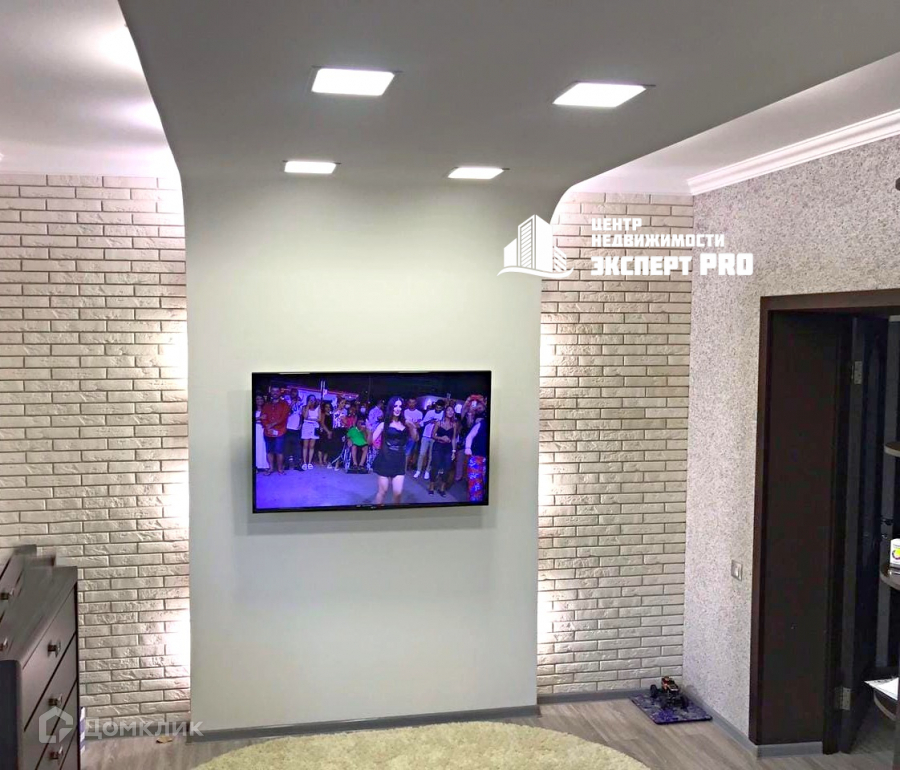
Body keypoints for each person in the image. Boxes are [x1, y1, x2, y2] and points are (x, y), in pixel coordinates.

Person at [372, 396, 419, 504]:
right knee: (382, 491)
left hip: (399, 461)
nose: (398, 408)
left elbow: (415, 438)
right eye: (395, 406)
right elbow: (372, 439)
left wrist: (412, 426)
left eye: (400, 406)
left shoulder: (406, 424)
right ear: (391, 407)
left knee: (398, 493)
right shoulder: (384, 424)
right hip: (385, 460)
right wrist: (378, 446)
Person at [259, 389, 291, 475]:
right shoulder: (267, 405)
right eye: (273, 391)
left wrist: (271, 425)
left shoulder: (285, 404)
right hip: (268, 431)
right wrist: (267, 426)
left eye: (277, 391)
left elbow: (283, 418)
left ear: (280, 392)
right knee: (269, 451)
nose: (275, 393)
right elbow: (263, 417)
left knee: (279, 451)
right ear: (271, 392)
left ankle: (280, 469)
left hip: (280, 431)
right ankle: (271, 468)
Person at [428, 405, 457, 496]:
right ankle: (431, 486)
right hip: (438, 446)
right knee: (435, 466)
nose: (450, 412)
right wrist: (441, 438)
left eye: (452, 410)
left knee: (447, 468)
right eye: (448, 410)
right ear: (445, 412)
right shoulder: (439, 423)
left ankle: (442, 488)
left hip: (448, 448)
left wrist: (453, 451)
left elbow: (453, 439)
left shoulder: (454, 424)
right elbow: (432, 435)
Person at [465, 400, 489, 502]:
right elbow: (470, 434)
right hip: (477, 456)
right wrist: (468, 448)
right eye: (477, 407)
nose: (479, 409)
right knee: (475, 484)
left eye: (481, 407)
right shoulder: (481, 422)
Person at [415, 399, 444, 479]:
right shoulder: (430, 412)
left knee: (431, 456)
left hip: (435, 437)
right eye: (437, 407)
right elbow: (423, 423)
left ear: (442, 408)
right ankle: (418, 470)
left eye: (440, 408)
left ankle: (427, 471)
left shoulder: (443, 414)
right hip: (426, 435)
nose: (438, 409)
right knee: (422, 453)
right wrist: (430, 421)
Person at [402, 397, 423, 471]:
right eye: (410, 402)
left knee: (408, 452)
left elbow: (419, 425)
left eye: (413, 402)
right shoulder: (404, 412)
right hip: (403, 434)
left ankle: (404, 469)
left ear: (415, 403)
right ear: (408, 403)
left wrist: (409, 424)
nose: (411, 404)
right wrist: (413, 424)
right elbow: (403, 423)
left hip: (413, 435)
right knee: (401, 451)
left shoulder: (419, 413)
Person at [300, 395, 321, 470]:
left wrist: (310, 419)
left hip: (315, 427)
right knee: (305, 445)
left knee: (312, 446)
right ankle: (304, 462)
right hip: (306, 426)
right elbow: (305, 417)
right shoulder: (304, 407)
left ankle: (309, 462)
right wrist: (308, 406)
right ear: (308, 400)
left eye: (313, 400)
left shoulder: (318, 408)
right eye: (310, 399)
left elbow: (319, 419)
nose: (312, 401)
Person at [284, 394, 302, 470]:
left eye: (298, 400)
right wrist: (291, 405)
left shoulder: (300, 407)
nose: (296, 401)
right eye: (295, 400)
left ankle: (297, 465)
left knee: (297, 449)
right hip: (288, 429)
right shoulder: (287, 406)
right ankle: (286, 465)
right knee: (286, 448)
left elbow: (301, 416)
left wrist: (301, 424)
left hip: (296, 430)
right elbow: (286, 414)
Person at [317, 401, 338, 466]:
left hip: (331, 432)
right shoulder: (323, 414)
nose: (328, 408)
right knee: (321, 447)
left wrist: (331, 432)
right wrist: (328, 432)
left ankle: (324, 460)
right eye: (326, 407)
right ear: (324, 407)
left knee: (328, 447)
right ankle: (320, 460)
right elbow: (322, 424)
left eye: (329, 407)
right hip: (324, 432)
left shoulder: (332, 415)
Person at [253, 394, 269, 472]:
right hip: (256, 429)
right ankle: (256, 466)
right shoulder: (253, 410)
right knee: (256, 447)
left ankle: (264, 465)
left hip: (264, 429)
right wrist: (259, 418)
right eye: (257, 399)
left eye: (261, 399)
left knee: (264, 447)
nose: (259, 400)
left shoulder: (266, 409)